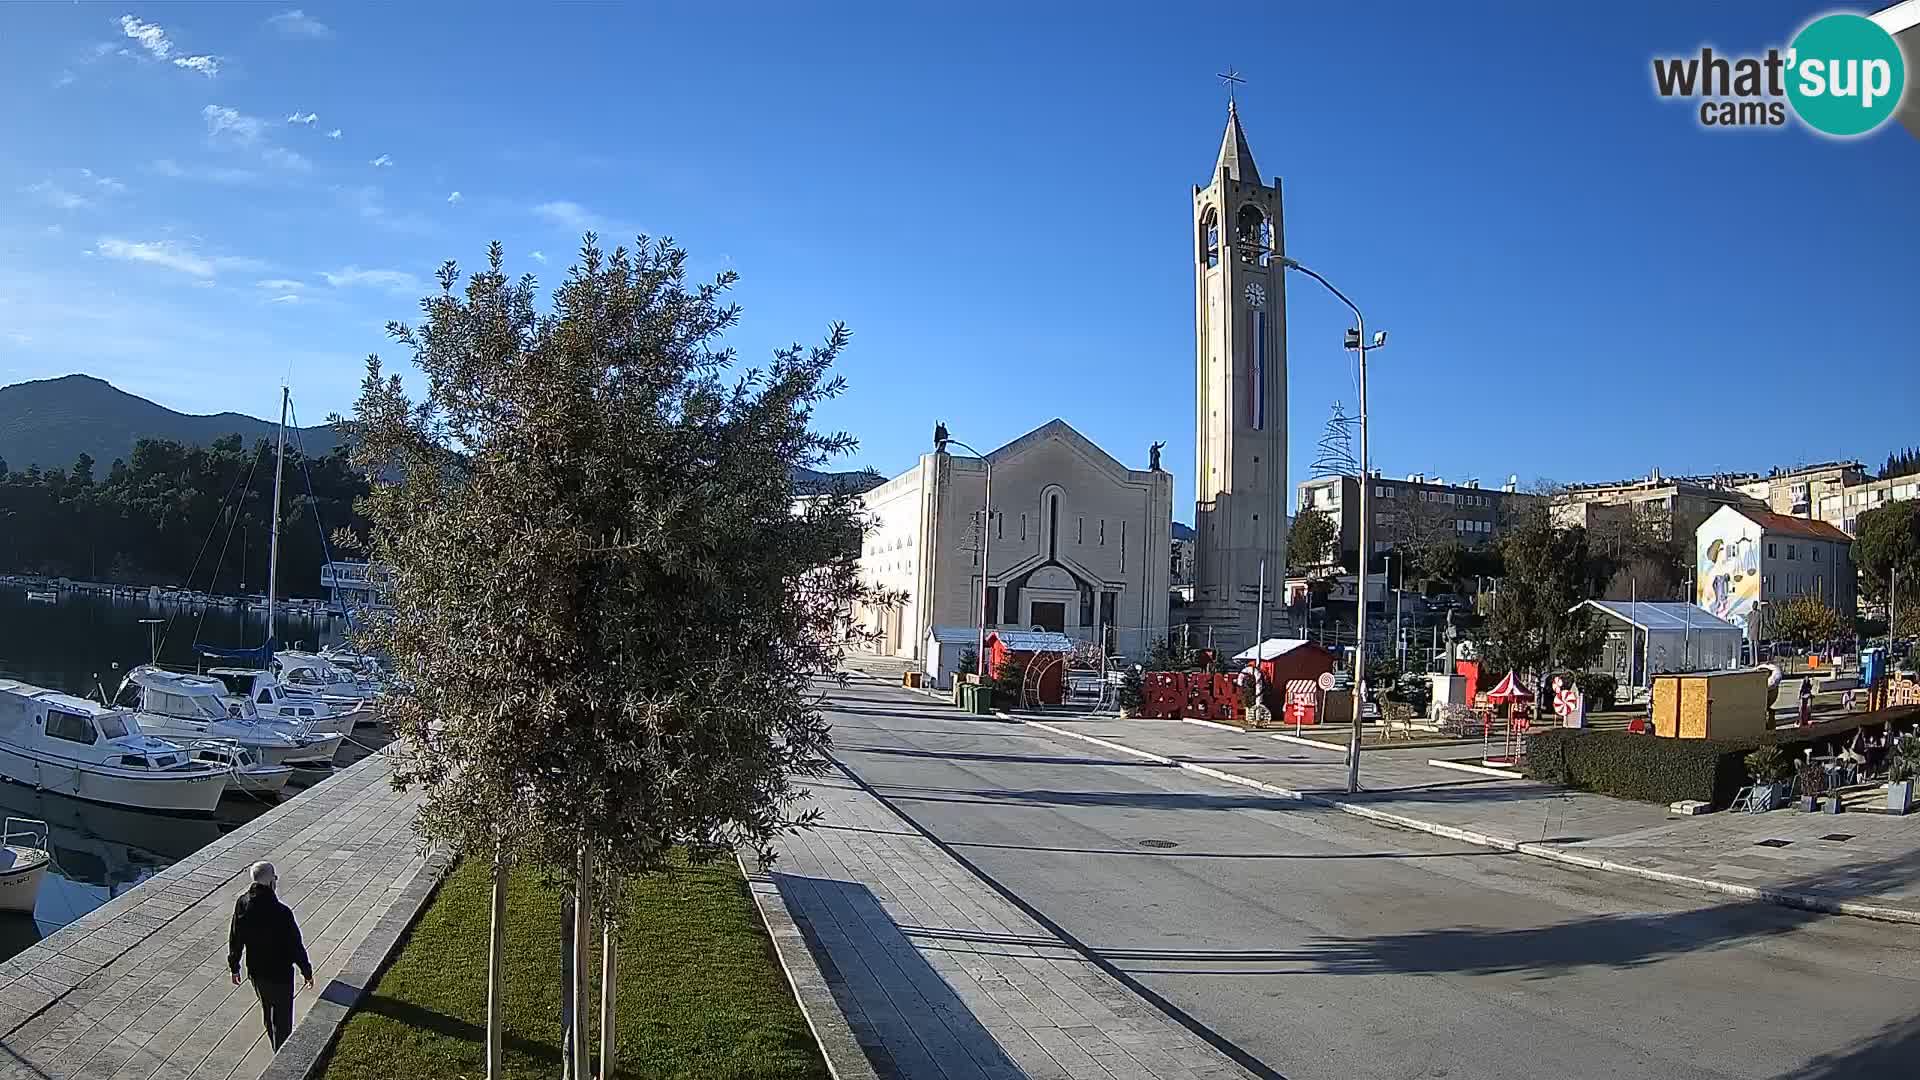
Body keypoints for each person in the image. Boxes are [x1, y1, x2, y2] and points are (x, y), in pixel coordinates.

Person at [228, 862, 313, 1050]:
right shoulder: (281, 912)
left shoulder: (242, 903)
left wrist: (234, 966)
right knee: (282, 1019)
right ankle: (281, 1056)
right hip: (280, 973)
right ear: (270, 881)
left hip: (257, 972)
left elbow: (235, 937)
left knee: (268, 1012)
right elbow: (295, 945)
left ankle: (274, 1043)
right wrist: (306, 970)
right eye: (274, 877)